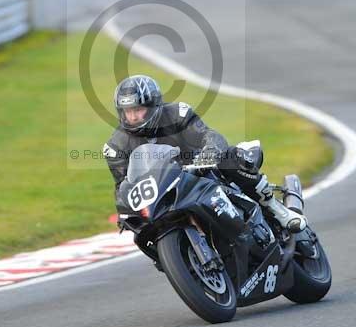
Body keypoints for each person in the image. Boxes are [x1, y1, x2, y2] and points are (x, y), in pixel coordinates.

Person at [103, 75, 307, 232]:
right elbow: (123, 185)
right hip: (164, 192)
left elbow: (207, 135)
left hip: (200, 172)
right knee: (140, 230)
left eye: (138, 109)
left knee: (231, 158)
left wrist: (210, 151)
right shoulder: (116, 146)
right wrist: (125, 211)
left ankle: (276, 209)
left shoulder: (176, 114)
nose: (133, 116)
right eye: (128, 111)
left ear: (153, 105)